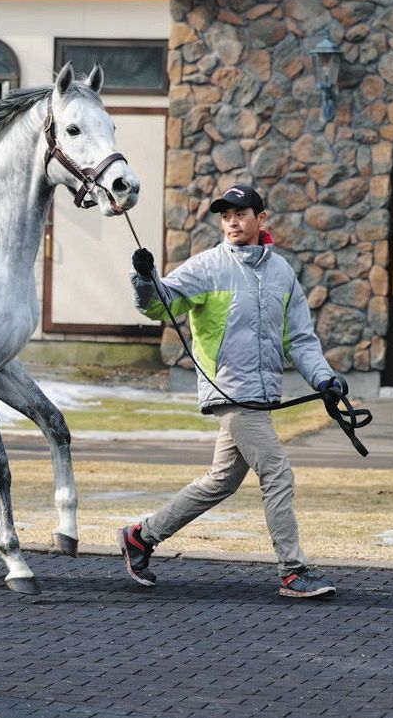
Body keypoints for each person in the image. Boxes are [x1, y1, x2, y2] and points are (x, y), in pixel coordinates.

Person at [118, 184, 342, 598]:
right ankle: (293, 571)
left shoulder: (281, 274)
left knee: (220, 482)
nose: (232, 221)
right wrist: (145, 278)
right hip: (231, 394)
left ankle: (140, 538)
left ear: (262, 218)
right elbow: (158, 306)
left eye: (240, 213)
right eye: (225, 215)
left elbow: (302, 340)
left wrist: (325, 380)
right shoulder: (207, 267)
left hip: (260, 395)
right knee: (277, 472)